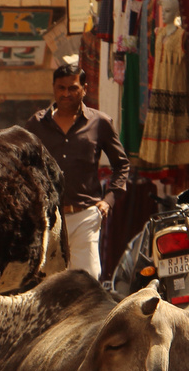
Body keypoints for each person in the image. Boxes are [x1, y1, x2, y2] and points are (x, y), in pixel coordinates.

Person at [21, 61, 130, 278]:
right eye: (61, 88)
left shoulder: (100, 123)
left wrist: (107, 201)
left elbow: (121, 165)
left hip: (85, 215)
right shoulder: (36, 124)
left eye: (73, 88)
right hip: (47, 218)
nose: (66, 93)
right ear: (54, 89)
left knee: (87, 279)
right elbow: (22, 165)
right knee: (47, 283)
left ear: (84, 89)